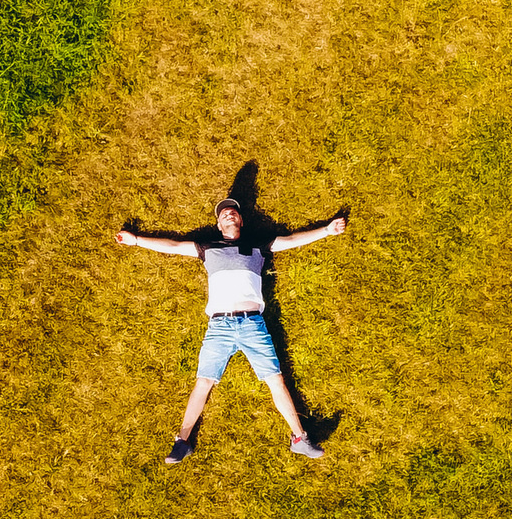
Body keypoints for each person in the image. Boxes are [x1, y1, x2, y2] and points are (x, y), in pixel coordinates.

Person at [114, 197, 348, 464]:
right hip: (219, 326)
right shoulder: (207, 246)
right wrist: (136, 240)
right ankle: (182, 441)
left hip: (252, 324)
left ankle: (299, 439)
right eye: (224, 213)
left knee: (275, 380)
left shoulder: (258, 245)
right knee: (203, 382)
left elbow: (291, 240)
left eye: (234, 212)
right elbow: (173, 246)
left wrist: (327, 231)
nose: (229, 215)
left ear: (241, 220)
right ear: (218, 223)